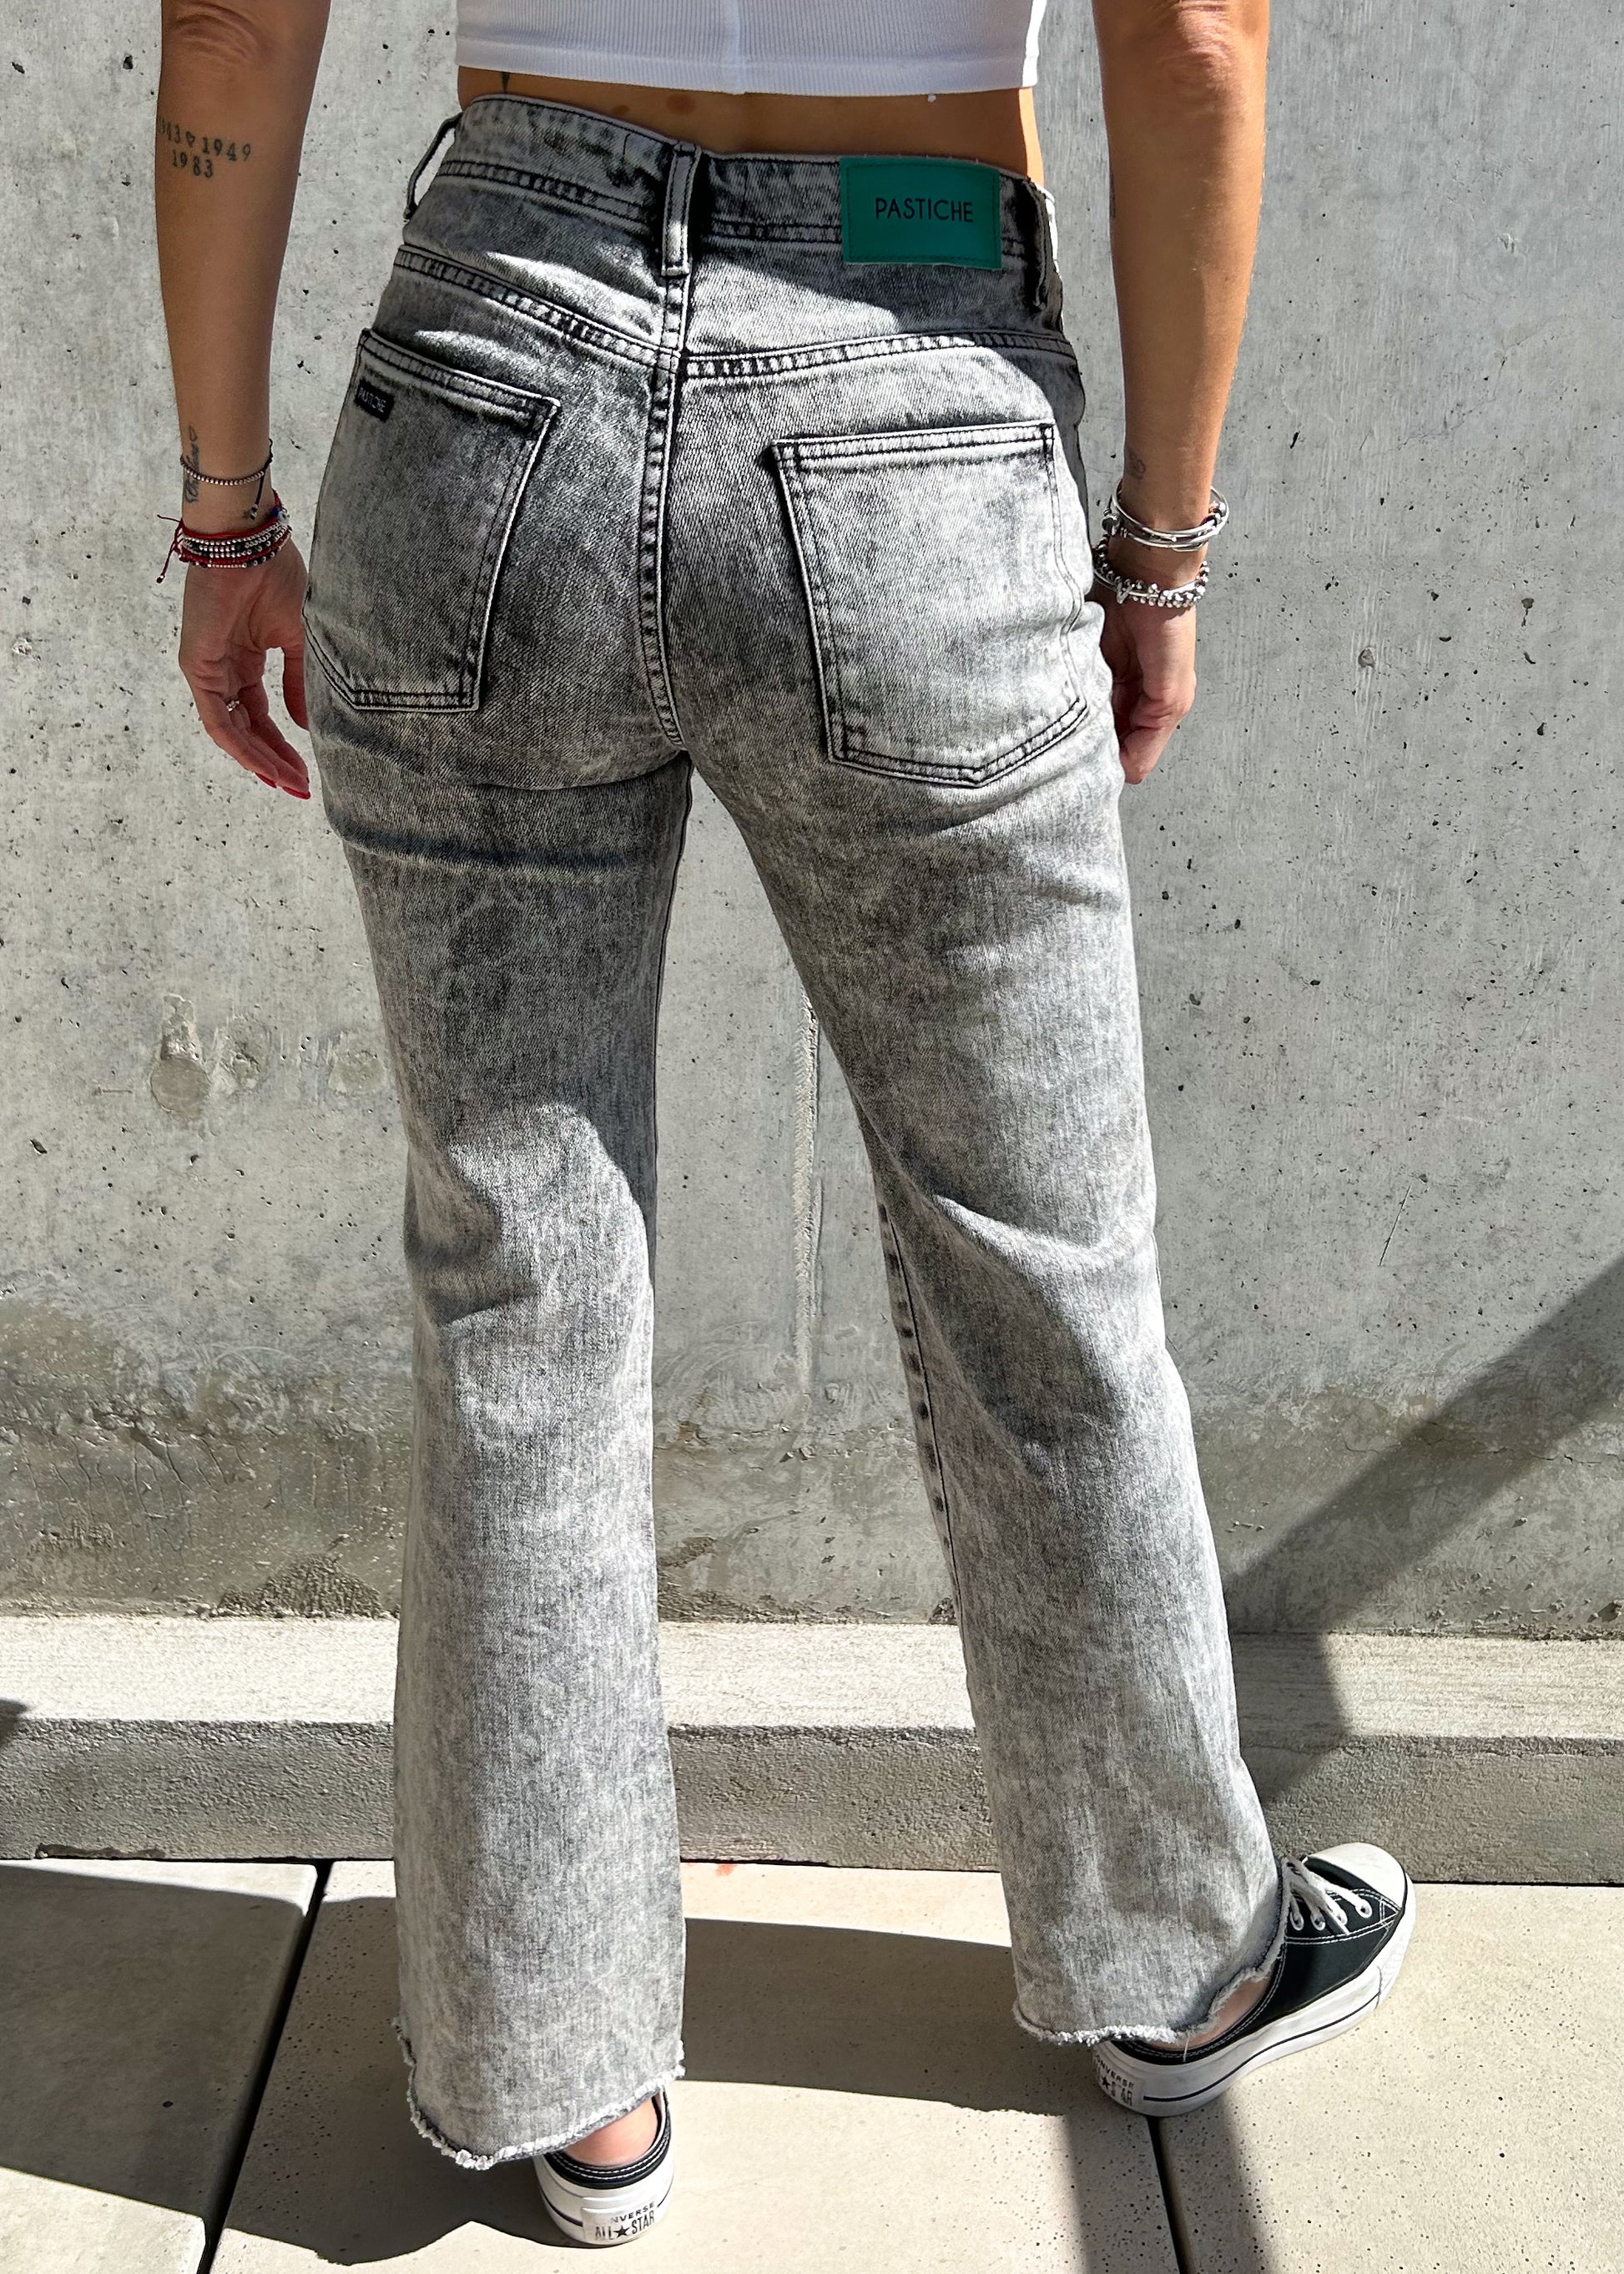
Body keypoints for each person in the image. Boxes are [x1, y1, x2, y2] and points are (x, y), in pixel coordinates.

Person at [154, 0, 1416, 2246]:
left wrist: (223, 507)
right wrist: (1159, 550)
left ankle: (564, 2078)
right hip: (911, 380)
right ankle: (1178, 1959)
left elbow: (235, 19)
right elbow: (1192, 43)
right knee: (1035, 1263)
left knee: (518, 1285)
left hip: (493, 370)